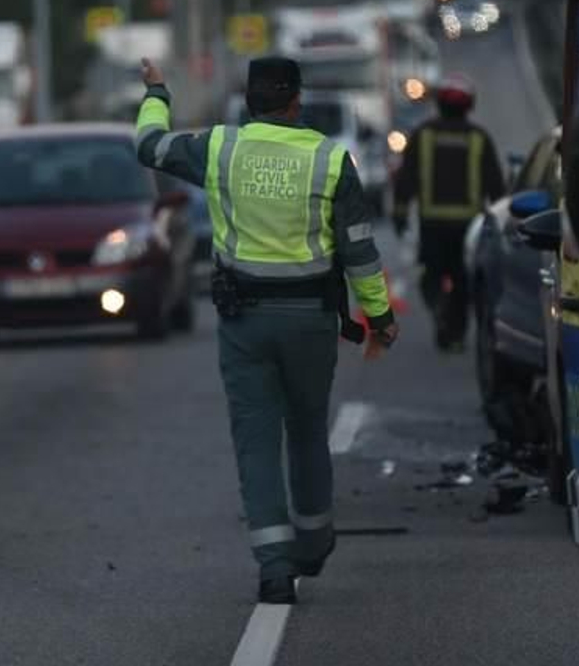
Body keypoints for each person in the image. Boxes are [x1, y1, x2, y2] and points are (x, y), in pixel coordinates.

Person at [135, 55, 399, 605]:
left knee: (255, 440)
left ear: (248, 101)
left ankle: (274, 567)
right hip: (309, 323)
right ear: (296, 101)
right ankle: (315, 538)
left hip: (244, 322)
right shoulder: (330, 159)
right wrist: (380, 316)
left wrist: (157, 91)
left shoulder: (219, 148)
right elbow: (359, 251)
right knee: (306, 432)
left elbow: (150, 146)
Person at [391, 75, 505, 352]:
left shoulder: (423, 135)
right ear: (469, 107)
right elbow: (496, 185)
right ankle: (455, 334)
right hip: (468, 225)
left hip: (433, 223)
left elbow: (405, 179)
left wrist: (400, 214)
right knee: (464, 280)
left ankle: (438, 306)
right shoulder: (479, 139)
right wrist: (502, 222)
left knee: (432, 274)